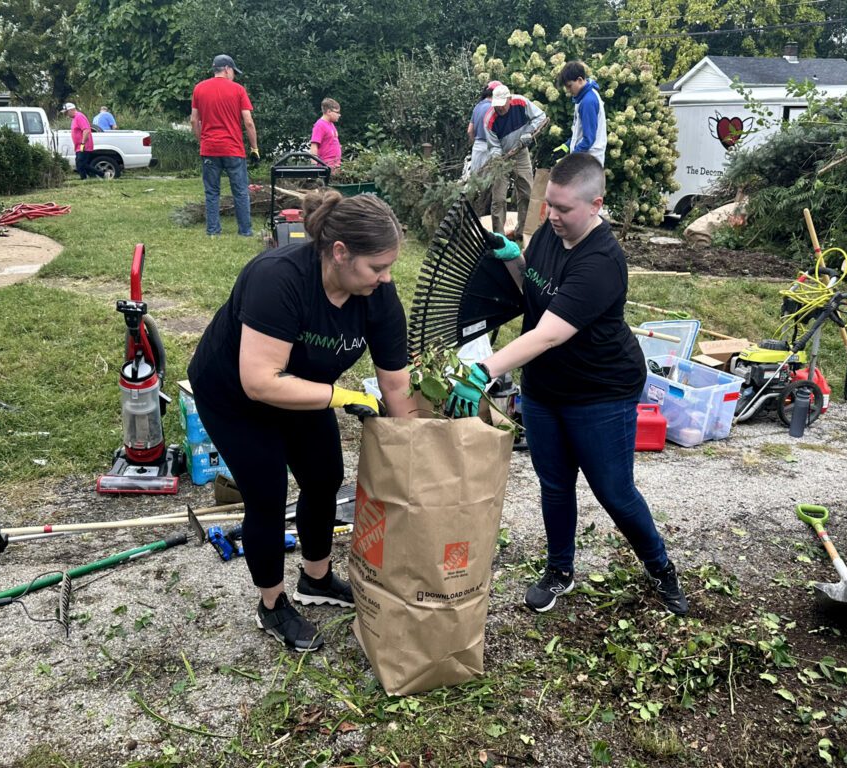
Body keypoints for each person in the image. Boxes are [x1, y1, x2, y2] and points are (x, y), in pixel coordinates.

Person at [447, 153, 689, 617]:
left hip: (601, 390)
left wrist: (486, 370)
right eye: (549, 206)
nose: (552, 216)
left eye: (563, 209)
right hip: (545, 386)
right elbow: (533, 295)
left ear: (595, 204)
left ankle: (661, 568)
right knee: (554, 484)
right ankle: (560, 570)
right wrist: (516, 259)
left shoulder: (602, 261)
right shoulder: (547, 237)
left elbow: (551, 331)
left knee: (614, 491)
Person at [186, 190, 421, 652]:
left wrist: (420, 447)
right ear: (339, 253)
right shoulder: (279, 279)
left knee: (324, 476)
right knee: (268, 491)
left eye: (389, 265)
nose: (386, 277)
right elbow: (260, 382)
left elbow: (396, 386)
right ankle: (272, 605)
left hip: (303, 387)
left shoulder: (378, 297)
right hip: (236, 395)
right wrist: (341, 395)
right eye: (377, 267)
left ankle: (315, 579)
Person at [191, 54, 260, 237]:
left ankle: (213, 231)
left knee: (212, 192)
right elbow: (249, 122)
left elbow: (193, 121)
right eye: (233, 72)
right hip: (233, 149)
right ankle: (245, 231)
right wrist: (254, 148)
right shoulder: (238, 90)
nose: (234, 76)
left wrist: (203, 141)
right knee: (240, 191)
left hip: (210, 149)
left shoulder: (199, 89)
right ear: (227, 69)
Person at [484, 84, 546, 242]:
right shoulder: (490, 120)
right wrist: (498, 158)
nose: (499, 109)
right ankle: (499, 237)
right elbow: (493, 146)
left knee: (527, 192)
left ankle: (523, 231)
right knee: (498, 198)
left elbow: (540, 117)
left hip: (521, 153)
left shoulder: (521, 103)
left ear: (509, 99)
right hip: (502, 159)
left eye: (502, 105)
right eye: (496, 106)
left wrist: (528, 132)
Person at [555, 61, 607, 166]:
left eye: (569, 86)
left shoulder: (588, 101)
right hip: (585, 159)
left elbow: (588, 139)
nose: (568, 90)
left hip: (589, 162)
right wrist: (567, 146)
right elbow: (580, 133)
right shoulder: (583, 96)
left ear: (579, 80)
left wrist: (569, 159)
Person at [466, 81, 502, 215]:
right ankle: (483, 213)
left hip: (477, 146)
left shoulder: (477, 107)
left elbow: (470, 130)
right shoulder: (495, 108)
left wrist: (474, 142)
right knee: (488, 185)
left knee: (474, 181)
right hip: (491, 147)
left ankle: (468, 211)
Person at [62, 103, 102, 180]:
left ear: (71, 110)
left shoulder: (79, 117)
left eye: (66, 112)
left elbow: (86, 130)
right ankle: (84, 178)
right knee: (79, 164)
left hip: (84, 145)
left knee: (81, 164)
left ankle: (101, 174)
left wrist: (82, 144)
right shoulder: (74, 118)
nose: (66, 114)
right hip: (79, 146)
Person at [310, 98, 342, 168]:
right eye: (337, 112)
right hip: (325, 166)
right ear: (329, 111)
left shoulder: (331, 124)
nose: (339, 115)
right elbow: (314, 146)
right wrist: (314, 167)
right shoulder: (320, 125)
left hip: (335, 165)